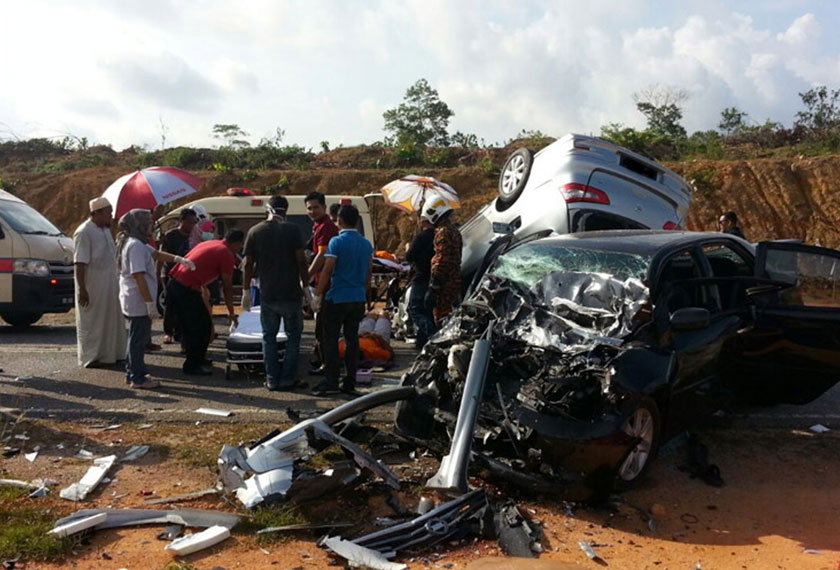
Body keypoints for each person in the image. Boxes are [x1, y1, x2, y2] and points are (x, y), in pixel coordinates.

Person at [116, 209, 196, 389]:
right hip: (137, 300)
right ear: (140, 225)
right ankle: (137, 378)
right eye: (149, 223)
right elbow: (138, 276)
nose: (151, 226)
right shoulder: (135, 246)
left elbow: (157, 254)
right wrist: (149, 304)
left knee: (136, 338)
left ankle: (132, 373)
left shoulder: (138, 242)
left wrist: (179, 259)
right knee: (138, 341)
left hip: (136, 299)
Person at [241, 196, 310, 391]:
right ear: (286, 211)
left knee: (269, 337)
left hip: (268, 294)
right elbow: (301, 260)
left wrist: (246, 290)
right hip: (291, 294)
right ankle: (288, 379)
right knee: (293, 336)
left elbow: (248, 264)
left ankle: (271, 379)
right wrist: (306, 288)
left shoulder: (255, 231)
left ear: (267, 209)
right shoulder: (293, 230)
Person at [311, 205, 373, 396]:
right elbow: (368, 274)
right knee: (352, 340)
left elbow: (327, 270)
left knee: (330, 339)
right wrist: (366, 297)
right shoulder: (366, 244)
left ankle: (331, 381)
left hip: (338, 297)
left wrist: (318, 295)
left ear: (339, 220)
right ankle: (350, 381)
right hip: (358, 298)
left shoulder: (336, 242)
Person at [168, 230, 243, 375]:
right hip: (185, 288)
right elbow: (227, 286)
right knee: (198, 327)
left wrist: (203, 288)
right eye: (240, 246)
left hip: (178, 282)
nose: (240, 249)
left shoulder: (211, 243)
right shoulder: (226, 254)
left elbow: (199, 265)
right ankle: (192, 365)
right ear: (236, 243)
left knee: (200, 325)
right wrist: (231, 312)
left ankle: (198, 358)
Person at [73, 197, 126, 368]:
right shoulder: (84, 232)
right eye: (108, 213)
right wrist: (82, 289)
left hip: (109, 283)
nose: (111, 216)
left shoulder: (105, 230)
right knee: (93, 322)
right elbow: (80, 263)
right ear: (96, 213)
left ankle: (111, 354)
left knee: (111, 319)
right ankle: (91, 357)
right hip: (93, 285)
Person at [306, 191, 339, 374]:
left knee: (325, 328)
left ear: (324, 207)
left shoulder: (326, 227)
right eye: (309, 208)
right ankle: (322, 359)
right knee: (322, 327)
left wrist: (307, 275)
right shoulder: (319, 226)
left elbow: (322, 255)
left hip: (327, 285)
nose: (312, 211)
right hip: (321, 284)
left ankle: (327, 366)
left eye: (316, 207)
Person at [159, 208, 198, 344]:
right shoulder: (170, 235)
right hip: (170, 273)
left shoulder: (194, 237)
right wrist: (158, 274)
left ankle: (180, 333)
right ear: (181, 221)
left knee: (185, 305)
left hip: (186, 275)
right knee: (170, 304)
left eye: (194, 222)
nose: (192, 225)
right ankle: (167, 332)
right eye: (189, 222)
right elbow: (161, 256)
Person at [423, 193, 462, 325]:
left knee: (441, 318)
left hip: (444, 283)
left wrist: (434, 287)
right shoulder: (454, 230)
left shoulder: (442, 232)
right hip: (453, 280)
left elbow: (441, 260)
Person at [404, 217, 436, 347]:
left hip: (421, 277)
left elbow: (409, 256)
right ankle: (422, 341)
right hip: (434, 278)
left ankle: (434, 336)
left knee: (415, 310)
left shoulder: (422, 237)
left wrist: (408, 247)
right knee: (427, 310)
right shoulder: (439, 235)